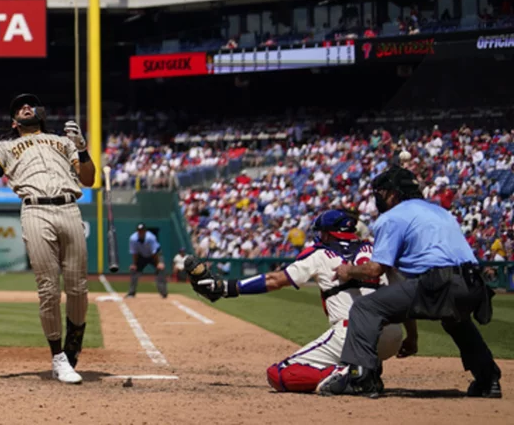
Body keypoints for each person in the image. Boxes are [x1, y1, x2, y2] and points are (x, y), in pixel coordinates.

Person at [317, 166, 501, 398]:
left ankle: (360, 378)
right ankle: (488, 379)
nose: (377, 198)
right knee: (456, 319)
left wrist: (348, 271)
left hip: (438, 283)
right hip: (474, 285)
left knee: (365, 308)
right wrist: (412, 335)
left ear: (393, 194)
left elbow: (375, 269)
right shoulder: (442, 212)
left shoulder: (392, 218)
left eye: (380, 193)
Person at [185, 210, 403, 393]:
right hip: (393, 334)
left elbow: (275, 280)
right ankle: (366, 370)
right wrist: (411, 337)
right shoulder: (377, 250)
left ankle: (354, 375)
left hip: (354, 334)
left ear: (327, 234)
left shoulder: (320, 254)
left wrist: (225, 288)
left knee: (279, 374)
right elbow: (403, 290)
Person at [0, 93, 95, 385]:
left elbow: (88, 179)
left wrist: (83, 150)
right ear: (14, 120)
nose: (25, 106)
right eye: (19, 107)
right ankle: (59, 358)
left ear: (40, 114)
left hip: (70, 208)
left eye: (30, 104)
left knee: (78, 287)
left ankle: (72, 348)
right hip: (35, 210)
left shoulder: (62, 141)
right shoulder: (7, 146)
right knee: (48, 288)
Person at [126, 223, 168, 298]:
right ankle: (131, 293)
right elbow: (134, 253)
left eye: (142, 231)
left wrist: (159, 263)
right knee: (134, 271)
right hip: (141, 255)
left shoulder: (150, 237)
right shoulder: (133, 238)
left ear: (145, 231)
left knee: (161, 270)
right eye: (139, 231)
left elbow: (154, 253)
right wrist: (134, 264)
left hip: (155, 256)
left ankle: (163, 293)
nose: (140, 232)